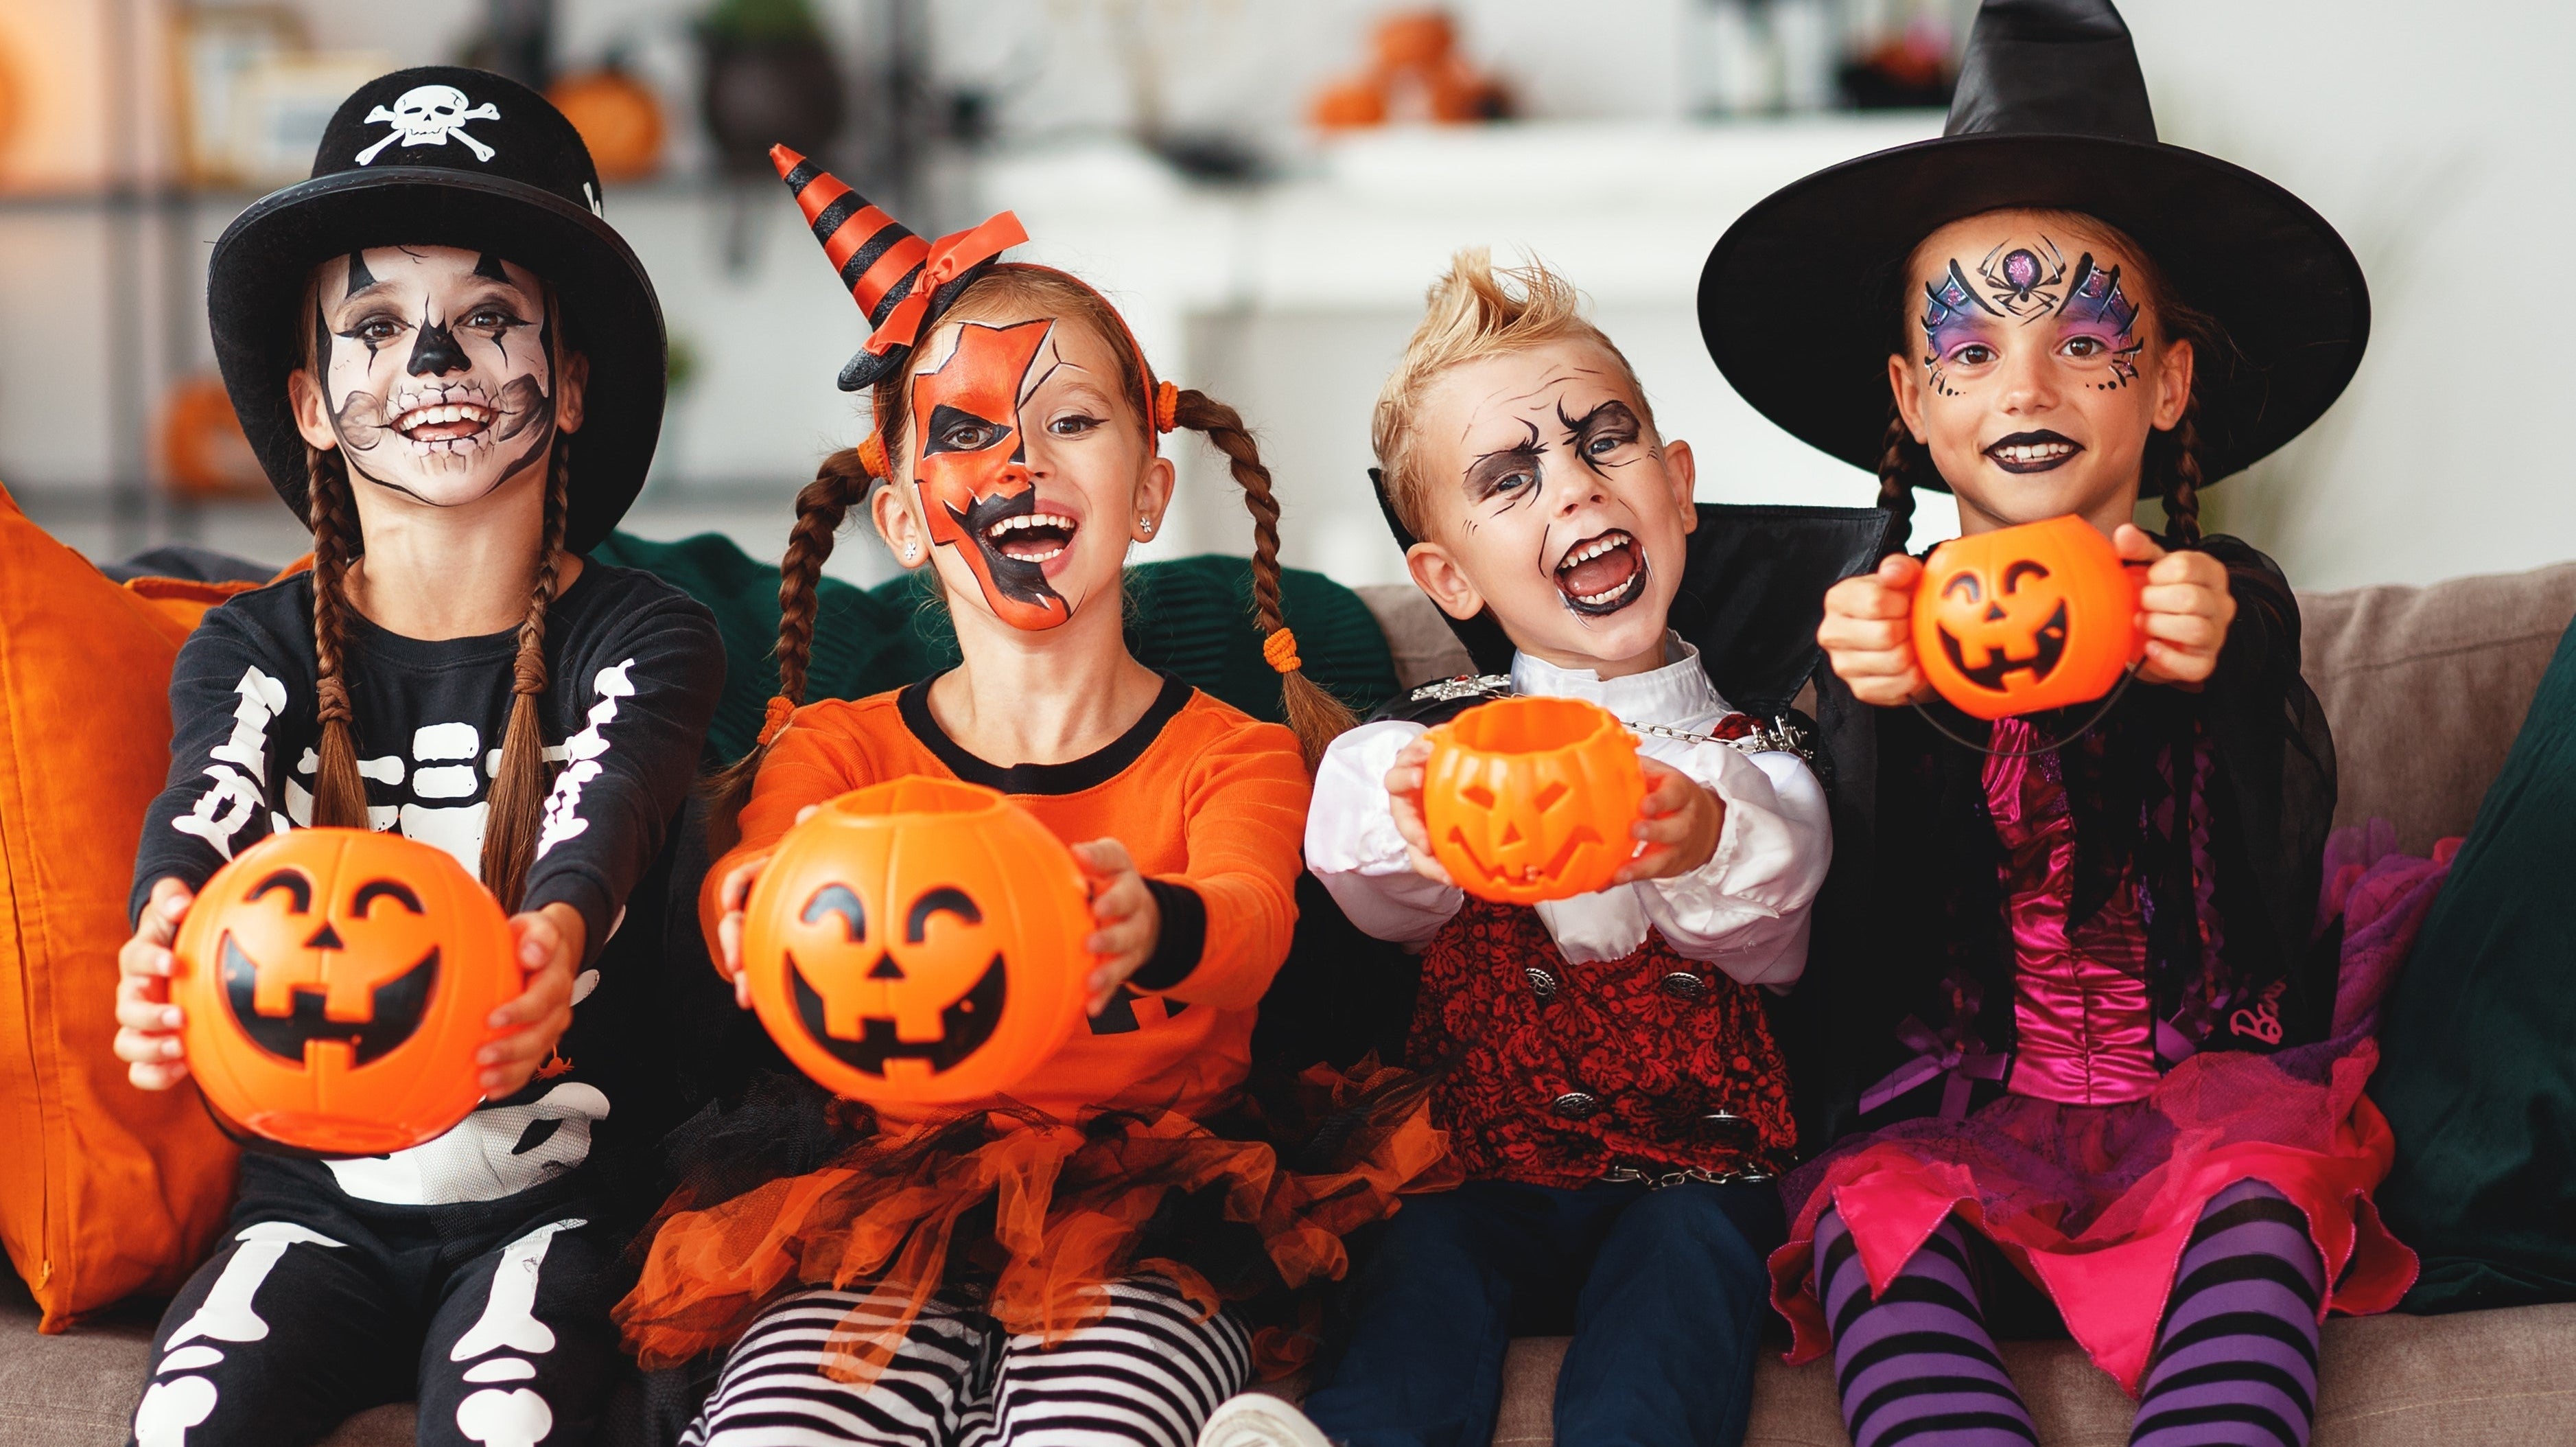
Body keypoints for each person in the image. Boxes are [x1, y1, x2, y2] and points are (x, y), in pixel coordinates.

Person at [612, 148, 1443, 1447]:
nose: (1017, 466)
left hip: (1148, 1198)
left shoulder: (1233, 753)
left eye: (1069, 423)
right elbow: (769, 866)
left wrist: (1150, 921)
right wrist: (745, 902)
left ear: (1152, 492)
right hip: (869, 1192)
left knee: (1095, 1427)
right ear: (901, 517)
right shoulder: (836, 749)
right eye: (963, 430)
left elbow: (1250, 921)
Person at [1696, 4, 2417, 1445]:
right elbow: (1809, 899)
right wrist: (1850, 703)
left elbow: (2268, 816)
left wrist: (2214, 655)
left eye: (2082, 336)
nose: (2021, 386)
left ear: (2163, 383)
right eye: (1965, 352)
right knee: (1870, 1235)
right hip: (1948, 1105)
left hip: (2196, 1094)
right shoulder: (1872, 619)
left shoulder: (2211, 603)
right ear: (1907, 399)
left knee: (2265, 1202)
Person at [108, 68, 723, 1447]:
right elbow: (210, 799)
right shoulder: (250, 649)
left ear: (566, 385)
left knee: (505, 1420)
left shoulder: (642, 635)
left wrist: (553, 938)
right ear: (314, 400)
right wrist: (162, 937)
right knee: (187, 1418)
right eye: (376, 326)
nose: (434, 364)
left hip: (558, 1201)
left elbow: (607, 801)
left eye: (490, 318)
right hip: (310, 1206)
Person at [1199, 250, 1832, 1447]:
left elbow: (1779, 916)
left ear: (1679, 486)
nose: (1577, 490)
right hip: (1479, 1160)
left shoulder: (1756, 749)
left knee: (1679, 1295)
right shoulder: (1438, 745)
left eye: (1606, 441)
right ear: (1446, 574)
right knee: (1416, 1280)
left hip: (1694, 1165)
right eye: (1512, 477)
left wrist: (1700, 836)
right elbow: (1362, 880)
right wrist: (1416, 818)